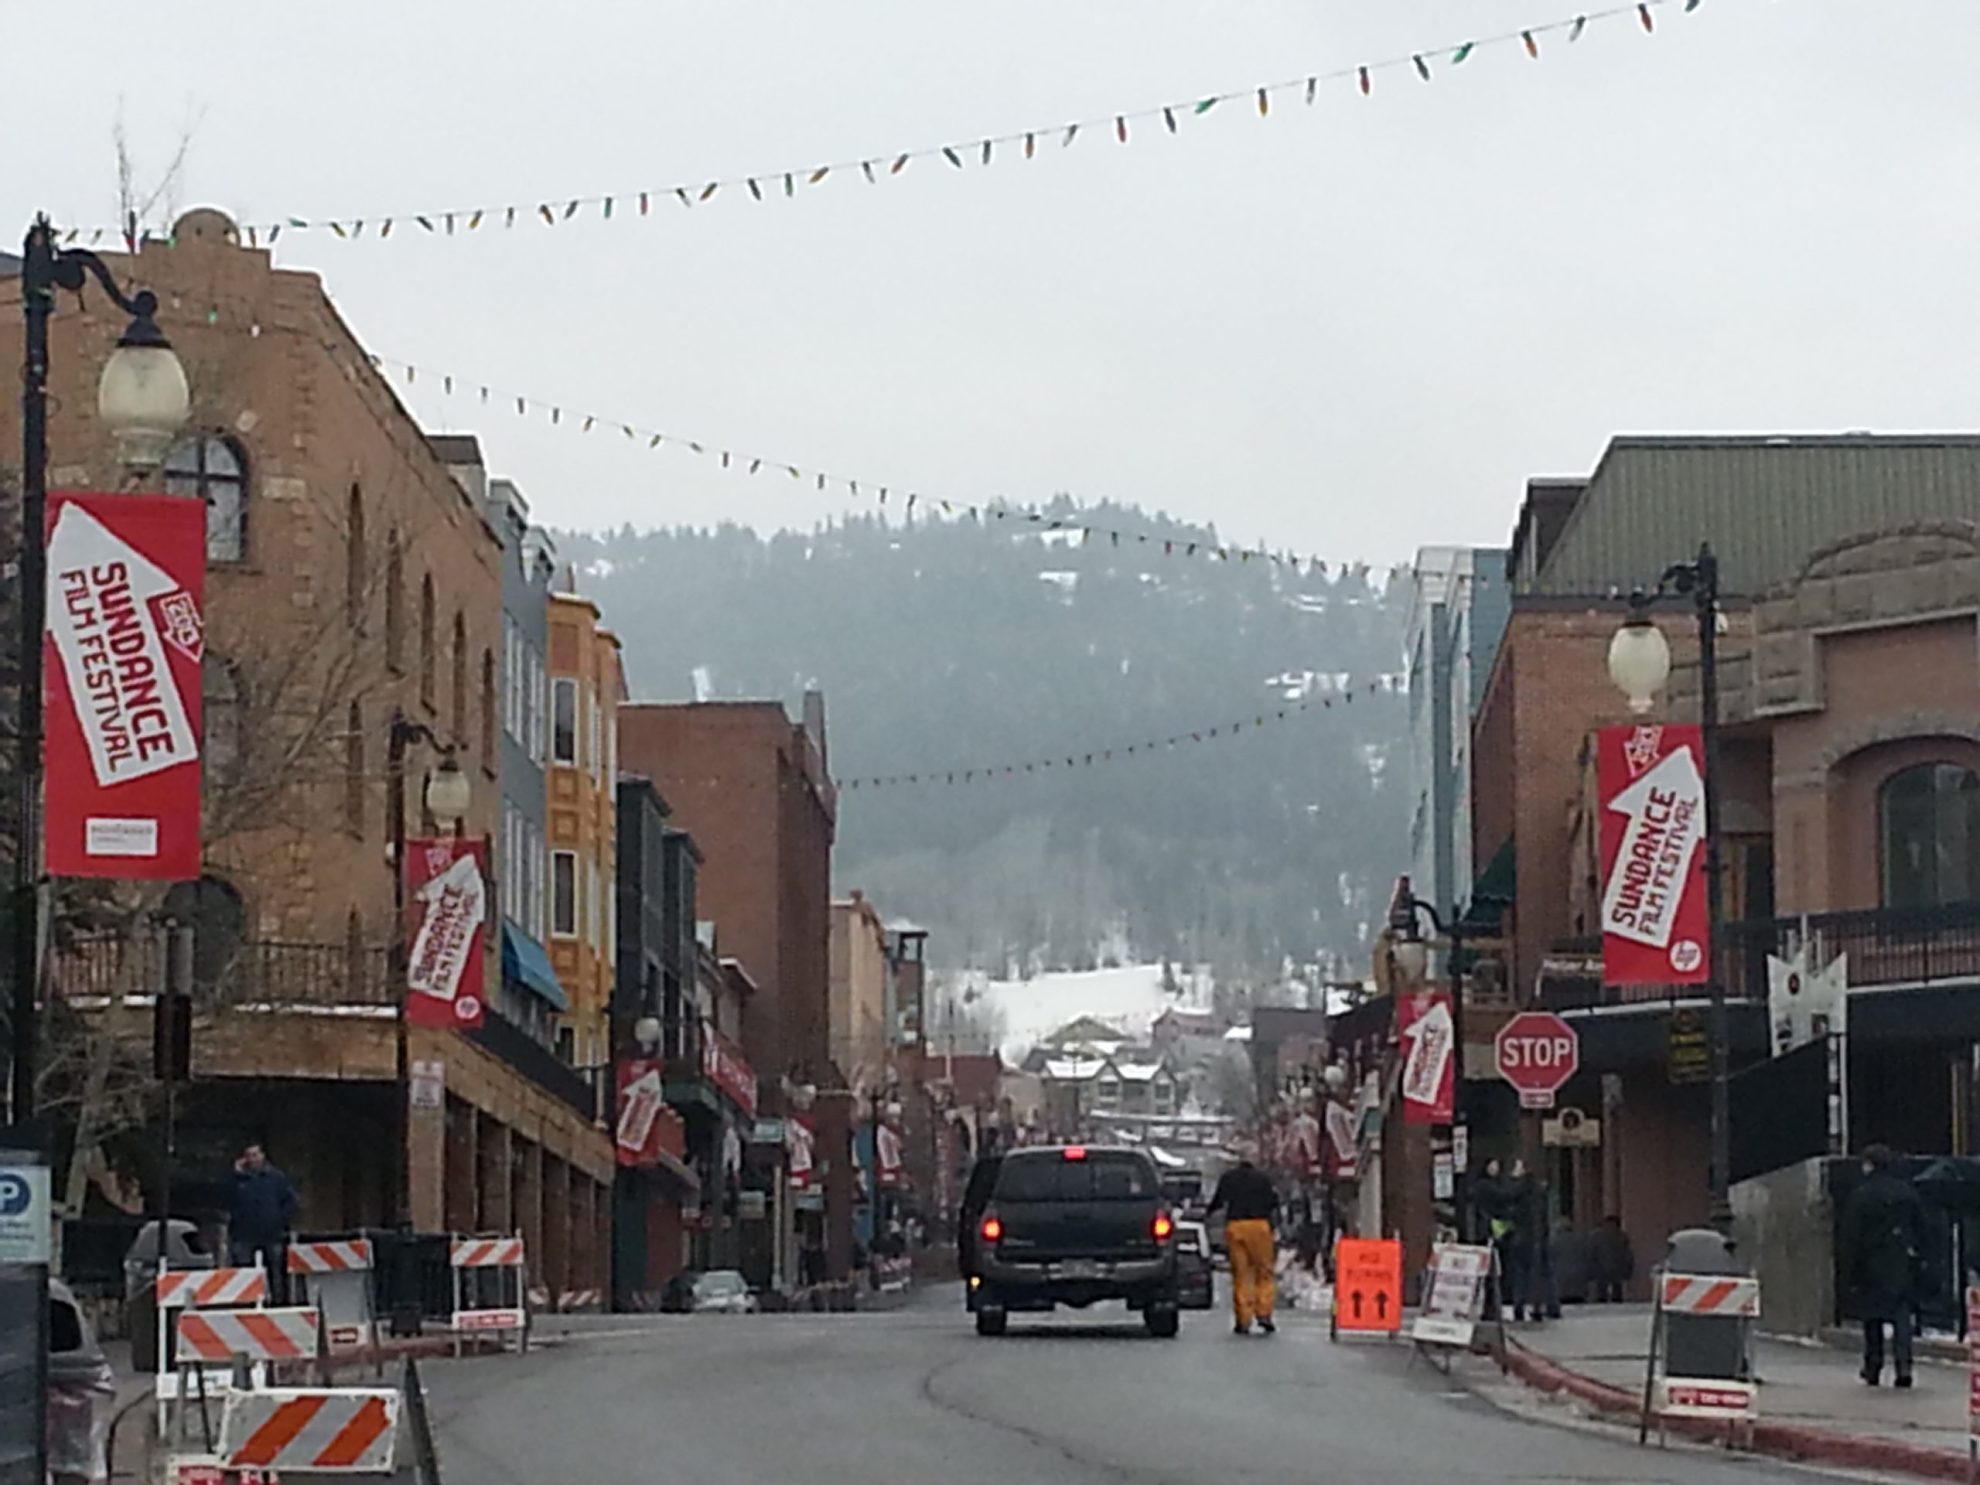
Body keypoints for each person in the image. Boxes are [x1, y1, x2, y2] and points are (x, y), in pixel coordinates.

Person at [1842, 1144, 1927, 1388]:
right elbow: (1922, 1229)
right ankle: (1904, 1365)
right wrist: (1920, 1257)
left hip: (1871, 1264)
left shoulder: (1861, 1195)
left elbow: (1852, 1237)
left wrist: (1850, 1271)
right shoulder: (1907, 1193)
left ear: (1869, 1165)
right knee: (1902, 1316)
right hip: (1902, 1263)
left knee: (1872, 1318)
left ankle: (1873, 1365)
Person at [1207, 1147, 1279, 1336]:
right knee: (1264, 1272)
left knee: (1241, 1274)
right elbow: (1273, 1202)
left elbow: (1218, 1201)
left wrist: (1207, 1214)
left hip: (1236, 1226)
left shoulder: (1229, 1178)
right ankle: (1264, 1313)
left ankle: (1243, 1319)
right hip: (1259, 1226)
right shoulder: (1263, 1179)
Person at [227, 1144, 297, 1278]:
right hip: (244, 1235)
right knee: (244, 1274)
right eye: (248, 1156)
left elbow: (291, 1201)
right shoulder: (238, 1180)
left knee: (276, 1272)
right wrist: (236, 1175)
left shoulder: (276, 1177)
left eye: (255, 1155)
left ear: (263, 1156)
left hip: (272, 1234)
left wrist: (279, 1220)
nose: (252, 1159)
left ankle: (276, 1293)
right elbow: (226, 1198)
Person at [1590, 1215, 1634, 1303]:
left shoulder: (1596, 1236)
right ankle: (1616, 1301)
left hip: (1601, 1268)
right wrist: (1628, 1270)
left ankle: (1602, 1301)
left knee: (1601, 1291)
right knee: (1617, 1290)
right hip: (1617, 1268)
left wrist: (1591, 1269)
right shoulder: (1621, 1236)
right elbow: (1627, 1255)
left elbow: (1591, 1252)